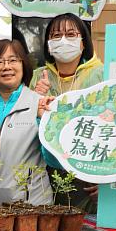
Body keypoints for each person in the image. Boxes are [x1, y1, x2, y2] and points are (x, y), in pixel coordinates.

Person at [30, 13, 104, 210]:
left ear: (83, 42)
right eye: (56, 35)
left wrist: (107, 179)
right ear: (48, 44)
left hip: (89, 175)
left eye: (71, 34)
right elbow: (24, 125)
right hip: (46, 173)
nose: (63, 40)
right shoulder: (37, 77)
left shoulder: (102, 74)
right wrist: (34, 98)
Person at [0, 38, 53, 205]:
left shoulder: (39, 104)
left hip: (32, 201)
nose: (6, 67)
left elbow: (52, 155)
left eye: (12, 60)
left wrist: (42, 121)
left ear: (23, 65)